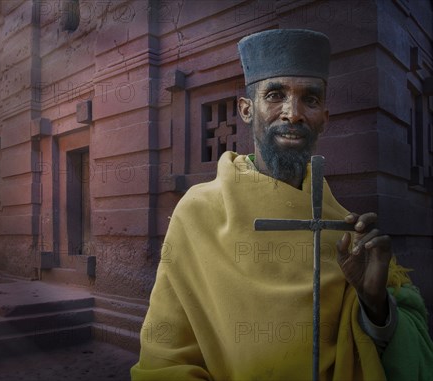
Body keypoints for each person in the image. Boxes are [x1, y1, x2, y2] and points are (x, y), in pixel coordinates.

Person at [130, 29, 433, 380]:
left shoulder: (345, 229)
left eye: (311, 99)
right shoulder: (198, 214)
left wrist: (376, 303)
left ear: (325, 117)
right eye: (275, 95)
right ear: (246, 109)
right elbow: (164, 358)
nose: (293, 113)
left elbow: (406, 346)